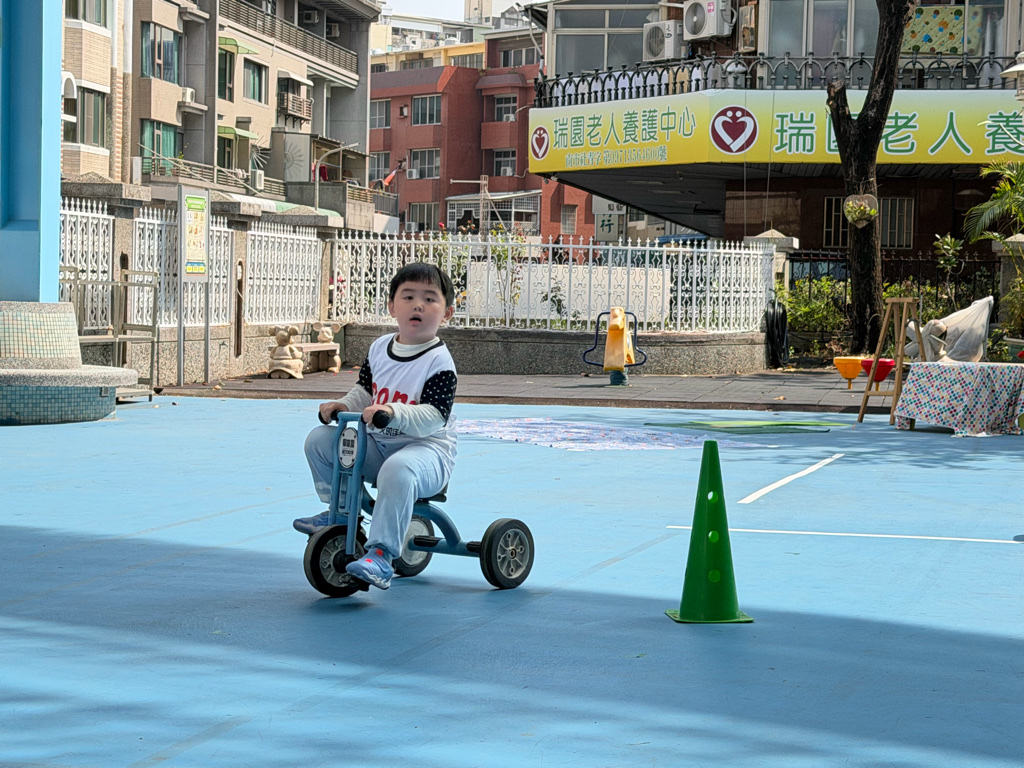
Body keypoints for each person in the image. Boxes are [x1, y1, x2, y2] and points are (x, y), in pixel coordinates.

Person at [294, 263, 458, 590]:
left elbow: (434, 416)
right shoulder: (379, 348)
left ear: (447, 313)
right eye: (408, 297)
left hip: (427, 452)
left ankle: (382, 554)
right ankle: (341, 513)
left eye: (430, 299)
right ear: (392, 306)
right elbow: (365, 391)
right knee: (321, 441)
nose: (418, 305)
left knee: (398, 469)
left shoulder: (439, 362)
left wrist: (394, 412)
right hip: (380, 446)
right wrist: (344, 405)